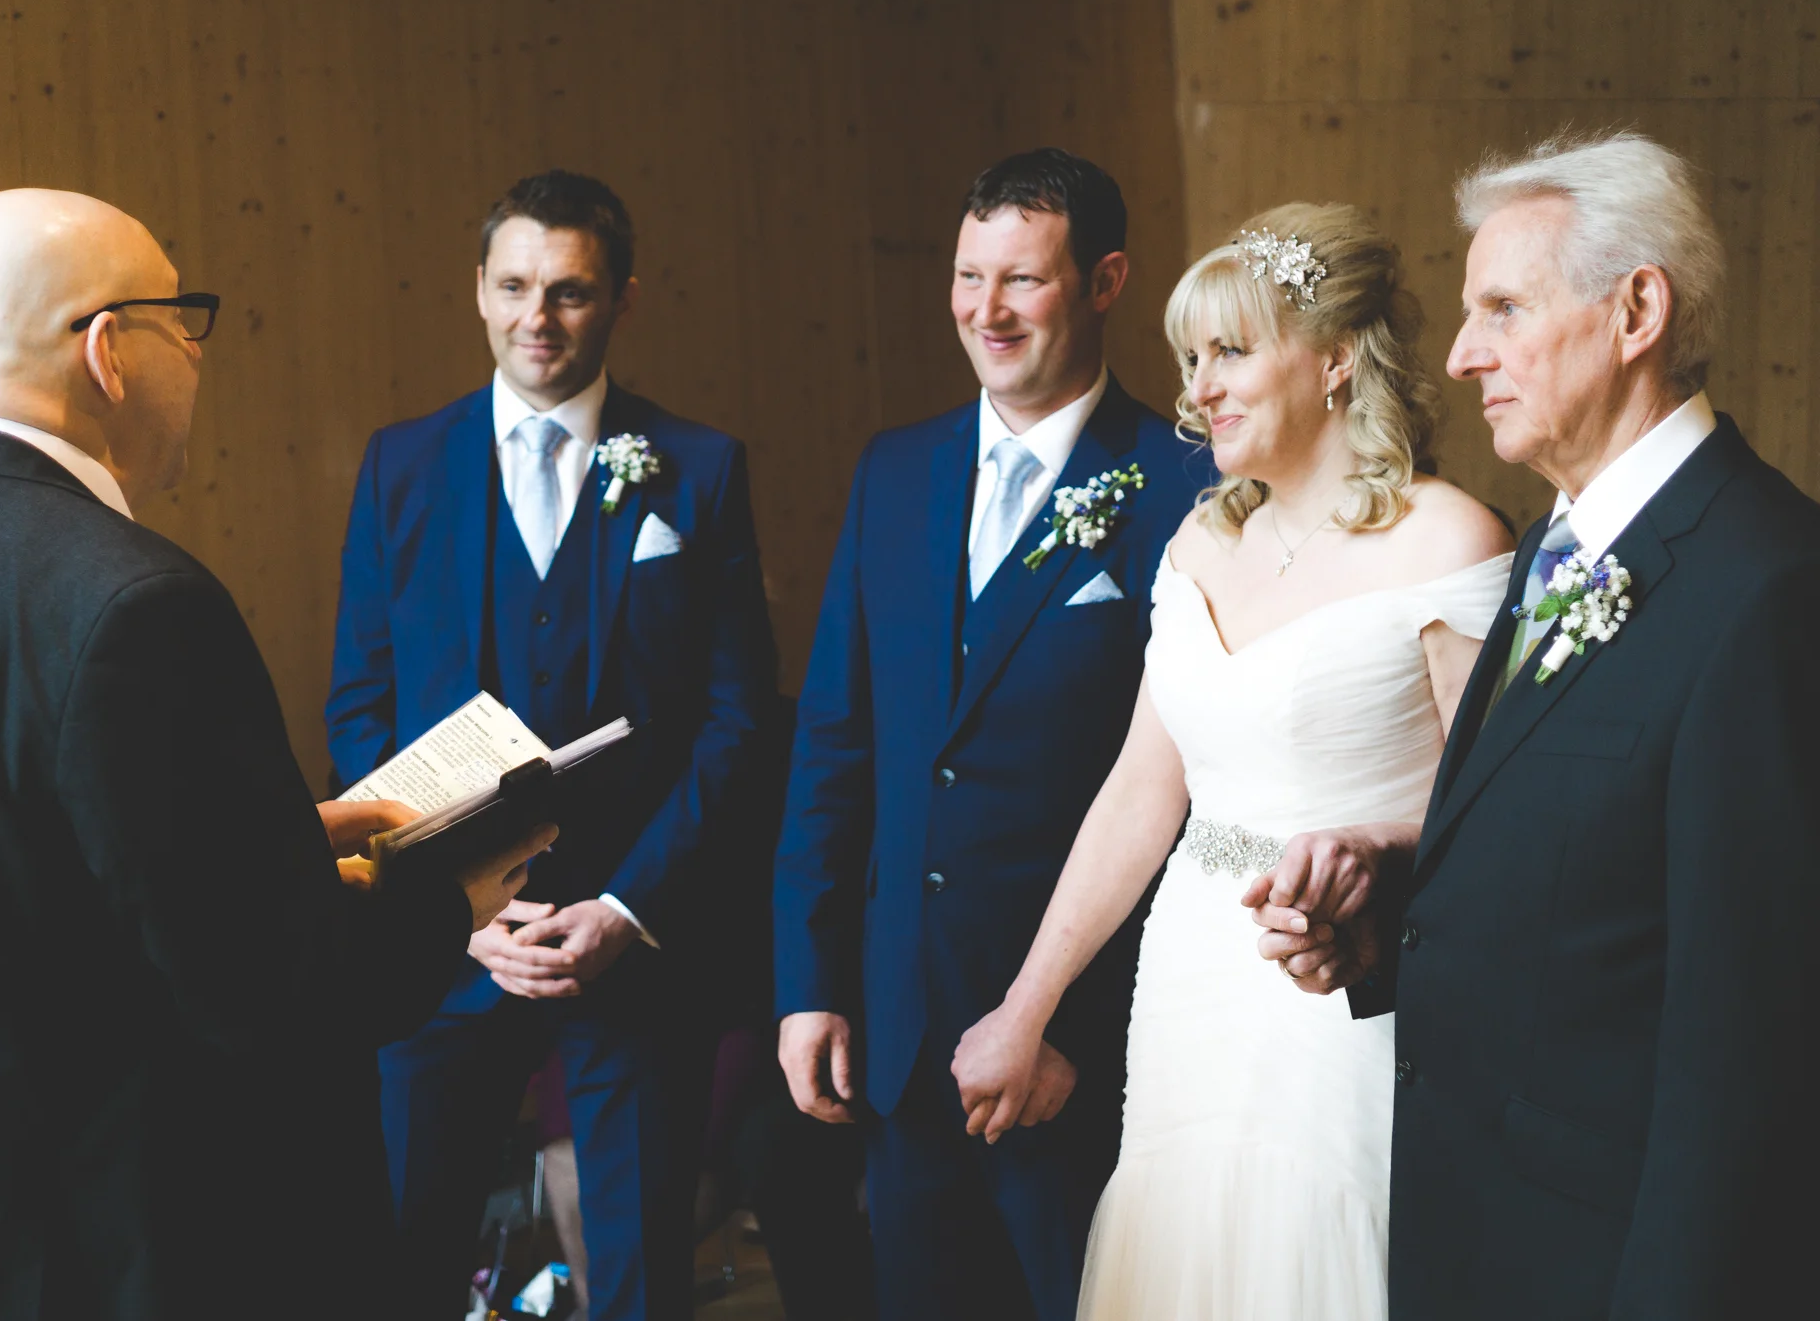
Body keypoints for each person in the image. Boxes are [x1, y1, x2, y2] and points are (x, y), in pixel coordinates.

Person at [0, 189, 549, 1321]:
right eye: (182, 321)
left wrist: (273, 843)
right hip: (105, 1259)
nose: (197, 353)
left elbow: (2, 875)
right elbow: (275, 992)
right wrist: (452, 894)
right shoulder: (132, 602)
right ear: (108, 351)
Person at [1255, 131, 1820, 1318]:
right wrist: (1391, 901)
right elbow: (1595, 859)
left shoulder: (1768, 586)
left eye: (1502, 309)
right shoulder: (1553, 547)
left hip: (1609, 1264)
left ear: (1635, 313)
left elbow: (1749, 1035)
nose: (1461, 355)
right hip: (1477, 1232)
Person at [952, 202, 1513, 1319]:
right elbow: (1138, 793)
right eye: (1190, 359)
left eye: (1230, 352)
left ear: (1334, 361)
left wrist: (1369, 859)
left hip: (1346, 990)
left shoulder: (1448, 541)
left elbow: (1500, 818)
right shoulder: (1200, 541)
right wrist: (1025, 1005)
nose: (1198, 387)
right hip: (1189, 983)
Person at [326, 169, 778, 1320]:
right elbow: (360, 708)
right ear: (479, 289)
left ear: (621, 299)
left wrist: (625, 908)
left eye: (569, 291)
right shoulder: (399, 467)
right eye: (515, 286)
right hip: (440, 952)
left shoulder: (698, 468)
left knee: (640, 1284)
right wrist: (449, 905)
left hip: (631, 942)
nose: (538, 317)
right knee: (401, 1267)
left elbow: (735, 717)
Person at [773, 147, 1211, 1320]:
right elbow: (834, 744)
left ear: (1105, 281)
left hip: (1077, 1052)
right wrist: (811, 982)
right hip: (898, 1034)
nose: (986, 311)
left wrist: (1073, 1026)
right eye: (969, 278)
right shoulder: (893, 471)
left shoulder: (1186, 484)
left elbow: (1194, 795)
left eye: (1021, 279)